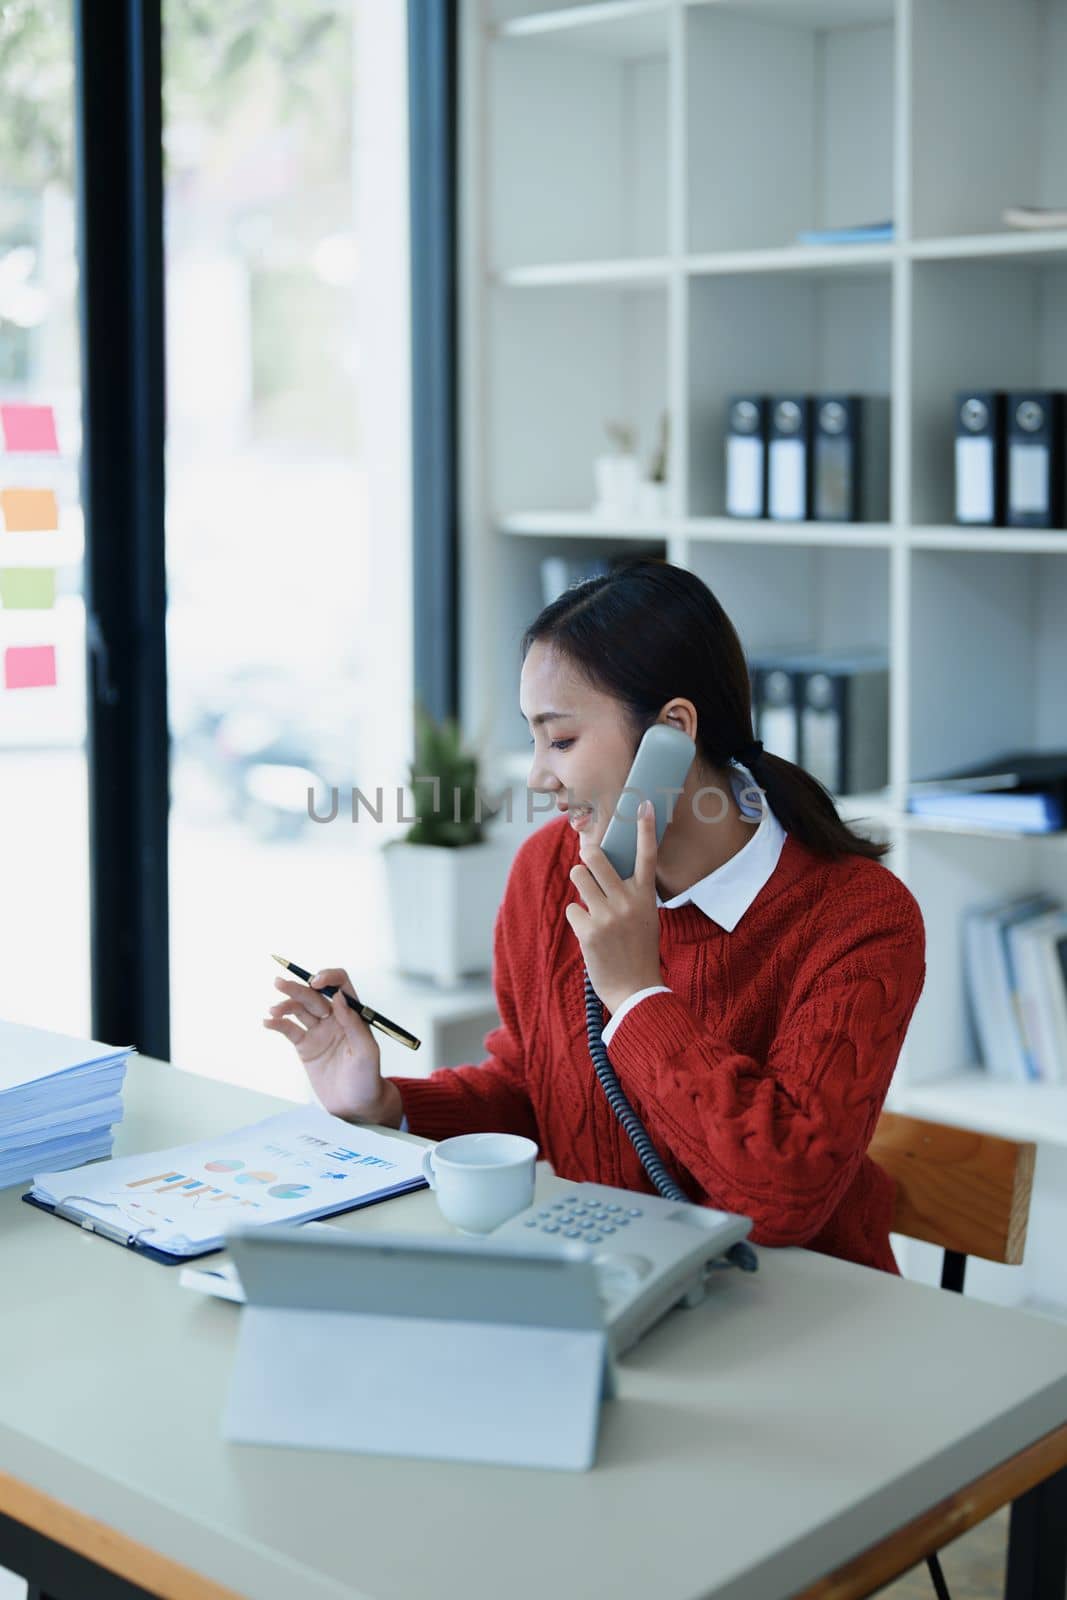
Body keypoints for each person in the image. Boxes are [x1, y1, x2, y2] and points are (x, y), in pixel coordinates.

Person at [264, 559, 924, 1275]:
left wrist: (637, 995)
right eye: (534, 739)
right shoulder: (550, 871)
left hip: (805, 1309)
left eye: (563, 739)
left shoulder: (856, 919)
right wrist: (387, 1104)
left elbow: (783, 1199)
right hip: (610, 1278)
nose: (539, 777)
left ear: (670, 732)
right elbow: (534, 1088)